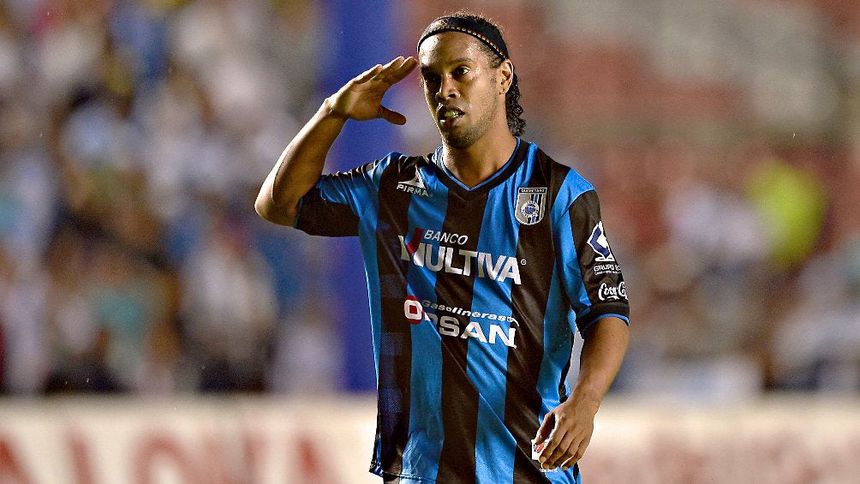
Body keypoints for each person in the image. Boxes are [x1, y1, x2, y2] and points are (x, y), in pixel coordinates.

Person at [256, 11, 630, 484]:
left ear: (503, 77)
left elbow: (607, 311)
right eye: (432, 78)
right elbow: (278, 204)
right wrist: (333, 112)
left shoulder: (560, 194)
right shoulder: (393, 189)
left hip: (530, 469)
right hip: (420, 472)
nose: (444, 89)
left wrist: (585, 401)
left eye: (461, 72)